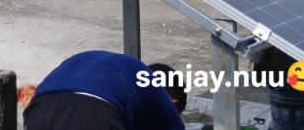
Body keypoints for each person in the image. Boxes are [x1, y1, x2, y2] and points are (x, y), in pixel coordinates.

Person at [24, 50, 187, 129]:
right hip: (94, 116)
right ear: (173, 102)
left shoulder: (124, 71)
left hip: (40, 112)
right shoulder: (157, 93)